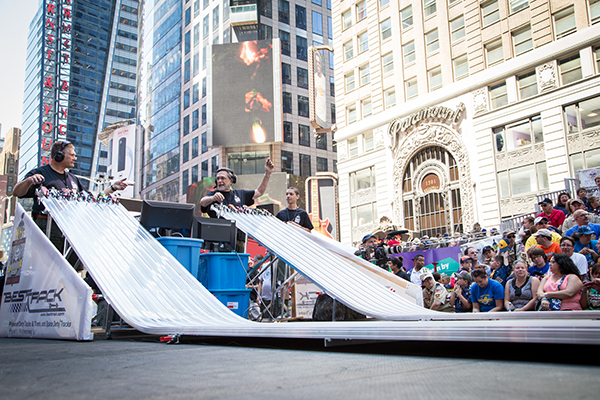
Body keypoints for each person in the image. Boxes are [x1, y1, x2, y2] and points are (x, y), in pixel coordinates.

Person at [13, 140, 129, 261]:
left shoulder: (73, 179)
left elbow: (90, 198)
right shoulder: (40, 173)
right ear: (59, 155)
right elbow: (17, 192)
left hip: (71, 229)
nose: (75, 158)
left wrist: (112, 188)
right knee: (51, 264)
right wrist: (29, 181)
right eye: (72, 155)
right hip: (49, 228)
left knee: (73, 266)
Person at [199, 158, 275, 218]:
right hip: (218, 234)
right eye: (218, 179)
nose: (220, 181)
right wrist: (213, 198)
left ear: (231, 180)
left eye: (223, 178)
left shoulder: (240, 194)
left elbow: (259, 192)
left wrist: (267, 173)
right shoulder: (213, 195)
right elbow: (202, 202)